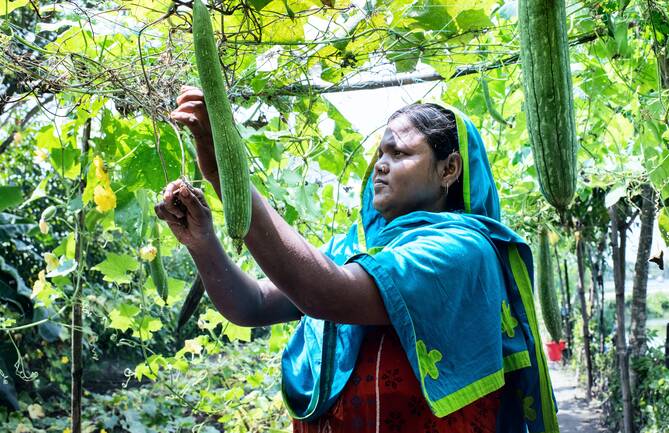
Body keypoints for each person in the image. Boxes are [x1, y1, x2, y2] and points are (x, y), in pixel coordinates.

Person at [156, 85, 559, 433]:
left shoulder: (461, 250)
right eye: (381, 153)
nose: (380, 164)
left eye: (399, 153)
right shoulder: (352, 248)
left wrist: (228, 174)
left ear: (449, 169)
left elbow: (325, 292)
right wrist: (202, 242)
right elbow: (253, 304)